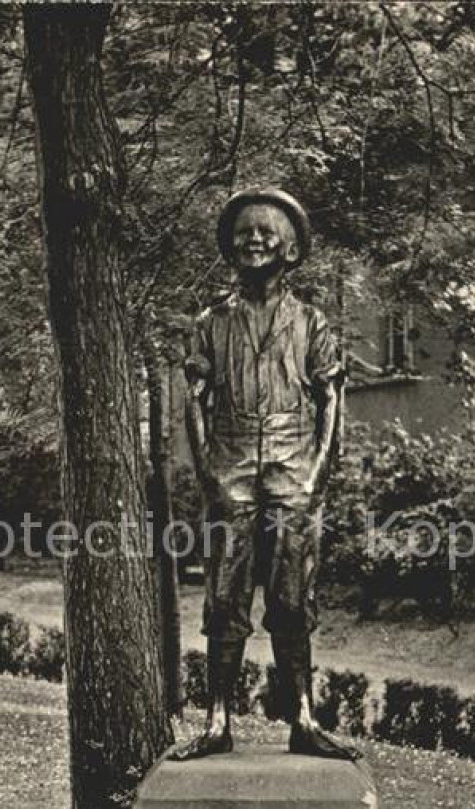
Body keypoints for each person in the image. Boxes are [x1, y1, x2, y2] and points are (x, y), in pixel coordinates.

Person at [173, 187, 360, 762]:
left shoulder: (310, 322)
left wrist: (318, 472)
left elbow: (331, 398)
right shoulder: (211, 322)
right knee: (223, 597)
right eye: (244, 231)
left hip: (292, 465)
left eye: (266, 231)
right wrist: (207, 468)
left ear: (291, 249)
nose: (254, 239)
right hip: (230, 464)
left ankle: (302, 718)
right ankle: (217, 720)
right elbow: (196, 400)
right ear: (230, 246)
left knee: (292, 596)